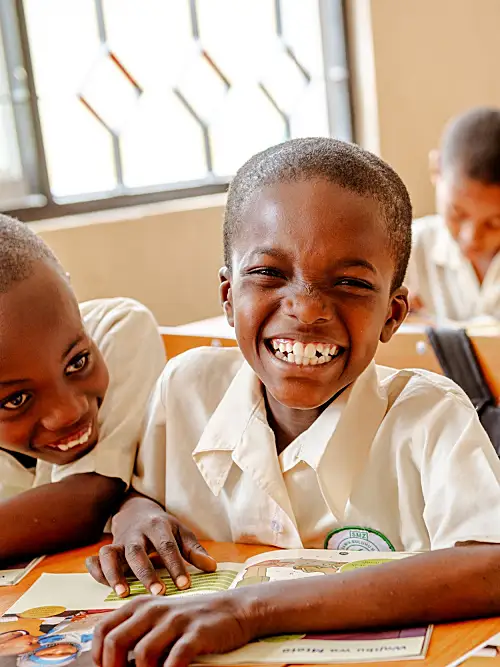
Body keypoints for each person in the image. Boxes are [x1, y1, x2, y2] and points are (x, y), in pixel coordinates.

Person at [89, 138, 500, 667]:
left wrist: (249, 612)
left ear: (393, 316)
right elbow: (143, 493)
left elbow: (490, 566)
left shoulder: (428, 414)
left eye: (350, 282)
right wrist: (134, 513)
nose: (306, 309)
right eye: (269, 274)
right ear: (227, 296)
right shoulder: (187, 387)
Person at [0, 215, 165, 563]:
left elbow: (87, 500)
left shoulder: (118, 330)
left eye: (77, 363)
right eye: (16, 399)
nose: (69, 411)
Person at [406, 107, 500, 322]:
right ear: (435, 170)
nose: (472, 237)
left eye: (495, 223)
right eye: (457, 214)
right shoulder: (404, 251)